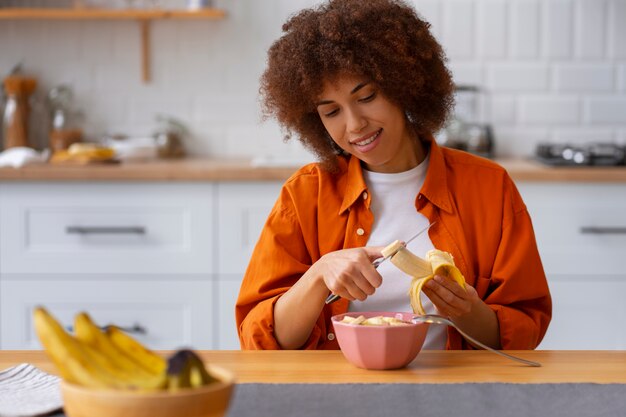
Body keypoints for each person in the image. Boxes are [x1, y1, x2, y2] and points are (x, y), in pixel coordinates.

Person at [236, 0, 551, 351]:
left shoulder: (489, 187)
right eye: (331, 111)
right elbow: (258, 340)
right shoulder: (305, 194)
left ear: (404, 85)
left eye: (367, 96)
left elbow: (523, 333)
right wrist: (319, 275)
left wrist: (468, 311)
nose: (354, 125)